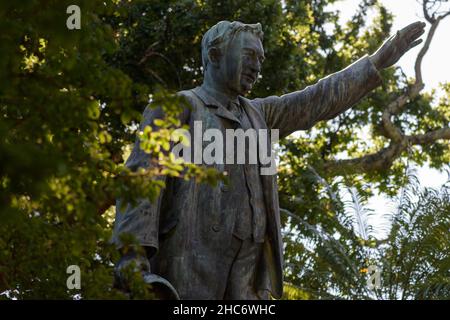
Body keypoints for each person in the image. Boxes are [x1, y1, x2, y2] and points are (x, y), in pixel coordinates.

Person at [112, 20, 425, 299]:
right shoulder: (180, 107)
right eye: (249, 55)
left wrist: (377, 61)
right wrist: (133, 256)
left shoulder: (259, 115)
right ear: (215, 54)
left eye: (260, 59)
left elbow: (315, 100)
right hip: (188, 265)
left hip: (247, 274)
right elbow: (142, 179)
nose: (257, 66)